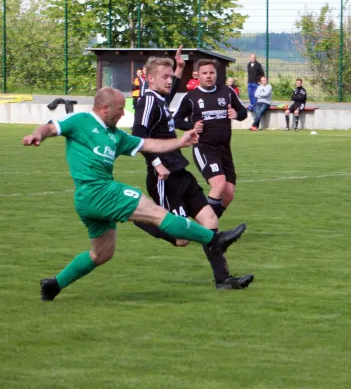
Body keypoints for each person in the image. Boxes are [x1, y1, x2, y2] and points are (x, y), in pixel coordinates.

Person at [22, 87, 247, 301]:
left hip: (89, 200)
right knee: (155, 211)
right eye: (120, 109)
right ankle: (215, 240)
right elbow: (49, 128)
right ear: (104, 108)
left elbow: (146, 144)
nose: (123, 113)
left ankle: (54, 285)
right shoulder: (81, 121)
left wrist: (180, 141)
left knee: (102, 254)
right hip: (98, 190)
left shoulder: (115, 135)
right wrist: (37, 135)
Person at [133, 56, 254, 290]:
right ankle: (134, 215)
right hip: (164, 177)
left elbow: (171, 90)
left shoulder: (159, 98)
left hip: (181, 171)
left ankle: (224, 280)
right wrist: (156, 163)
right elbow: (139, 136)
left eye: (170, 77)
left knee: (210, 220)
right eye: (164, 77)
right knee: (182, 239)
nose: (170, 81)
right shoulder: (148, 101)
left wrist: (178, 68)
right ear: (149, 79)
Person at [174, 59, 248, 220]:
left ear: (216, 74)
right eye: (204, 73)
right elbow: (176, 120)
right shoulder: (191, 97)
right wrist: (192, 126)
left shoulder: (227, 92)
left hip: (224, 149)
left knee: (228, 195)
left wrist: (237, 114)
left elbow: (243, 112)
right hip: (204, 147)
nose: (208, 76)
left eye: (211, 72)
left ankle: (206, 224)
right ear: (197, 75)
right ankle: (209, 232)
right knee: (219, 184)